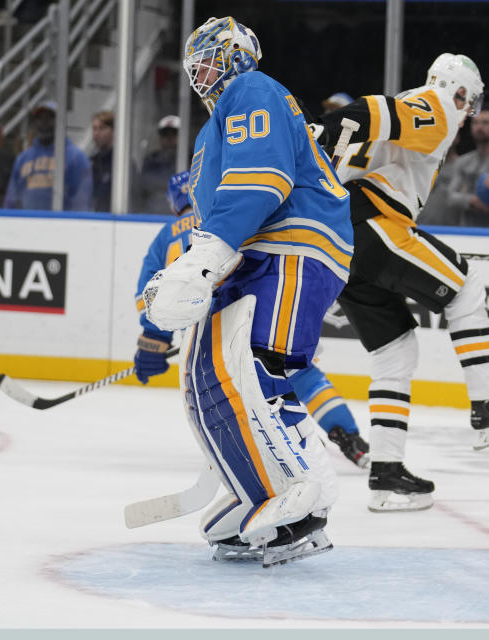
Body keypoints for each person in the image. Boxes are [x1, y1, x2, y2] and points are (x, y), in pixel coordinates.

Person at [141, 16, 353, 565]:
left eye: (212, 55)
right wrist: (200, 265)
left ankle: (307, 494)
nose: (202, 70)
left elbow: (263, 182)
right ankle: (257, 487)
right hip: (253, 256)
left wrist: (205, 258)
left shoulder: (251, 89)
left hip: (295, 247)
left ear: (238, 54)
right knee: (205, 373)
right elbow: (218, 210)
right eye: (197, 62)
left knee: (259, 366)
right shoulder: (213, 131)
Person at [318, 53, 489, 513]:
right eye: (469, 101)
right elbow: (375, 109)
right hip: (372, 224)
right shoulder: (435, 104)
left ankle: (386, 476)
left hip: (341, 237)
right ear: (457, 91)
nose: (469, 112)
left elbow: (374, 119)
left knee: (396, 353)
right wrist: (322, 126)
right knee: (467, 284)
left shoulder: (421, 106)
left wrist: (321, 136)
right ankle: (487, 407)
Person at [134, 171, 370, 468]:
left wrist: (153, 342)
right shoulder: (226, 213)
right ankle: (345, 437)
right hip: (263, 307)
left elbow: (151, 295)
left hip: (210, 327)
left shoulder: (166, 235)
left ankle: (264, 443)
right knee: (298, 372)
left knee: (226, 385)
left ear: (172, 204)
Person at [3, 101, 93, 211]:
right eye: (40, 118)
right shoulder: (22, 159)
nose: (43, 123)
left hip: (61, 225)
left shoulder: (77, 158)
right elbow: (11, 201)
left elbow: (81, 203)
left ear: (60, 122)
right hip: (27, 225)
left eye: (49, 118)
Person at [440, 103, 489, 227]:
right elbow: (450, 197)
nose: (479, 127)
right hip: (466, 231)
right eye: (475, 123)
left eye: (485, 123)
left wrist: (464, 196)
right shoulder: (463, 161)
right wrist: (474, 201)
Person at [135, 114, 180, 214]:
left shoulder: (191, 160)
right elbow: (143, 185)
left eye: (174, 133)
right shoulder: (151, 160)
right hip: (151, 215)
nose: (169, 137)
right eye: (165, 134)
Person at [90, 110, 114, 212]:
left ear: (113, 131)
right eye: (94, 129)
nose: (96, 133)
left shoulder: (122, 165)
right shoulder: (91, 162)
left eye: (102, 128)